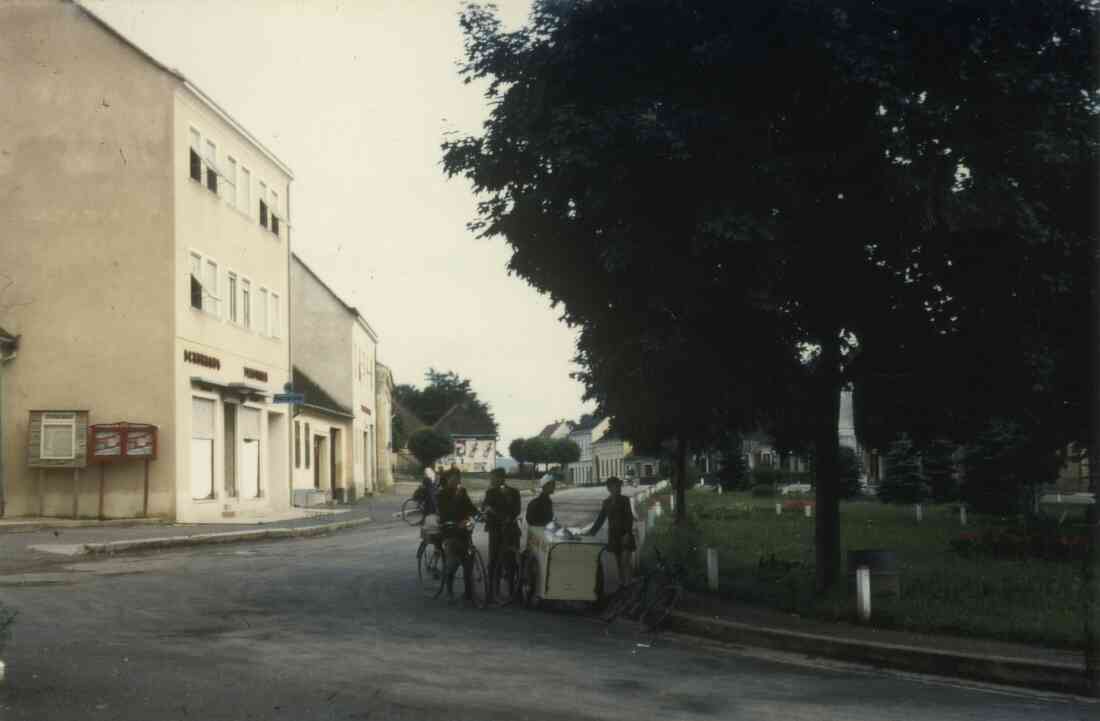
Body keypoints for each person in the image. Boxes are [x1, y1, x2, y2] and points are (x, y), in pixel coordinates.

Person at [435, 468, 479, 602]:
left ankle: (468, 593)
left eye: (458, 478)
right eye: (453, 478)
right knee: (453, 562)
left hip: (464, 530)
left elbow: (470, 507)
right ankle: (449, 591)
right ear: (447, 480)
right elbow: (444, 514)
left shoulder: (462, 491)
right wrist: (454, 522)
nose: (456, 481)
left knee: (468, 562)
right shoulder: (441, 495)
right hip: (450, 531)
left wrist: (478, 514)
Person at [584, 476, 637, 587]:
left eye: (619, 486)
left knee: (625, 562)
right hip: (613, 537)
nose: (618, 488)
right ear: (609, 488)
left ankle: (629, 585)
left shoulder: (625, 500)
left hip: (625, 535)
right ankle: (624, 586)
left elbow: (629, 517)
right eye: (615, 486)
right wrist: (590, 532)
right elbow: (600, 520)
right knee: (619, 564)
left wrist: (627, 533)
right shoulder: (606, 503)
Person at [481, 468, 521, 603]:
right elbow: (485, 507)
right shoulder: (490, 492)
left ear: (500, 478)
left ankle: (510, 591)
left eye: (492, 477)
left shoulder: (512, 492)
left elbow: (516, 510)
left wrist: (502, 516)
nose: (491, 480)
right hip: (497, 530)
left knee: (508, 561)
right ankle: (494, 591)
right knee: (495, 560)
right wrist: (487, 511)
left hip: (507, 530)